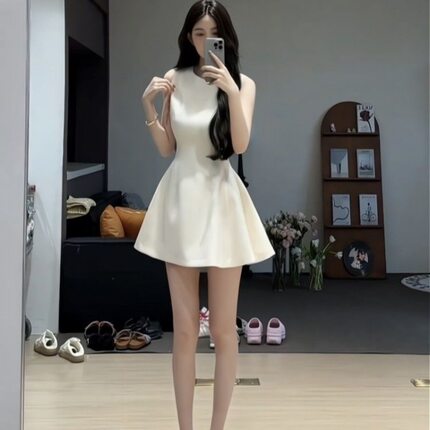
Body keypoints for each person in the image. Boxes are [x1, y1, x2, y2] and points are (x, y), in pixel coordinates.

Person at [134, 1, 275, 429]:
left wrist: (230, 90)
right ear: (187, 36)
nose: (205, 40)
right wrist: (148, 107)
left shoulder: (243, 84)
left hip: (221, 203)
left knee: (223, 332)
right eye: (198, 33)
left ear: (226, 37)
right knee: (184, 330)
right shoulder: (174, 79)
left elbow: (241, 145)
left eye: (213, 33)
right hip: (180, 202)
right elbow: (167, 149)